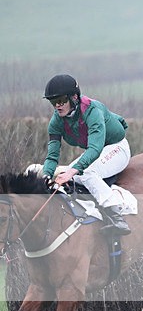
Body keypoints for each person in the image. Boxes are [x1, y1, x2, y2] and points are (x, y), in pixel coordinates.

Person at [41, 74, 131, 235]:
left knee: (86, 172)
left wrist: (71, 171)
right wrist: (45, 176)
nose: (57, 106)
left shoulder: (92, 111)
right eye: (53, 102)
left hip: (116, 148)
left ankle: (116, 215)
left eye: (61, 100)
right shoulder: (56, 122)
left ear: (74, 97)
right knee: (71, 177)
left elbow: (95, 149)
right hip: (98, 151)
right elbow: (52, 156)